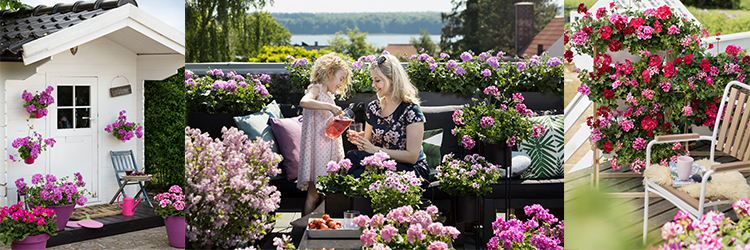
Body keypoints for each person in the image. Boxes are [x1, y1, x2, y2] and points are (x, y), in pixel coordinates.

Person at [291, 53, 351, 228]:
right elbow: (304, 102)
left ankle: (321, 229)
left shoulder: (329, 96)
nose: (340, 84)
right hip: (317, 152)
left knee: (327, 195)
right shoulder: (315, 89)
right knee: (314, 194)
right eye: (340, 79)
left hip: (329, 150)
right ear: (329, 72)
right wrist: (330, 107)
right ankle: (305, 229)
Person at [346, 54, 429, 181]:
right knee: (353, 163)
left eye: (377, 80)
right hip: (382, 165)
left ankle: (326, 198)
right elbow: (367, 149)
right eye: (373, 80)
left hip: (411, 169)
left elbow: (412, 156)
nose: (373, 84)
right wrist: (361, 142)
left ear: (392, 80)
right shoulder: (373, 108)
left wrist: (376, 150)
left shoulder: (411, 110)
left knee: (354, 167)